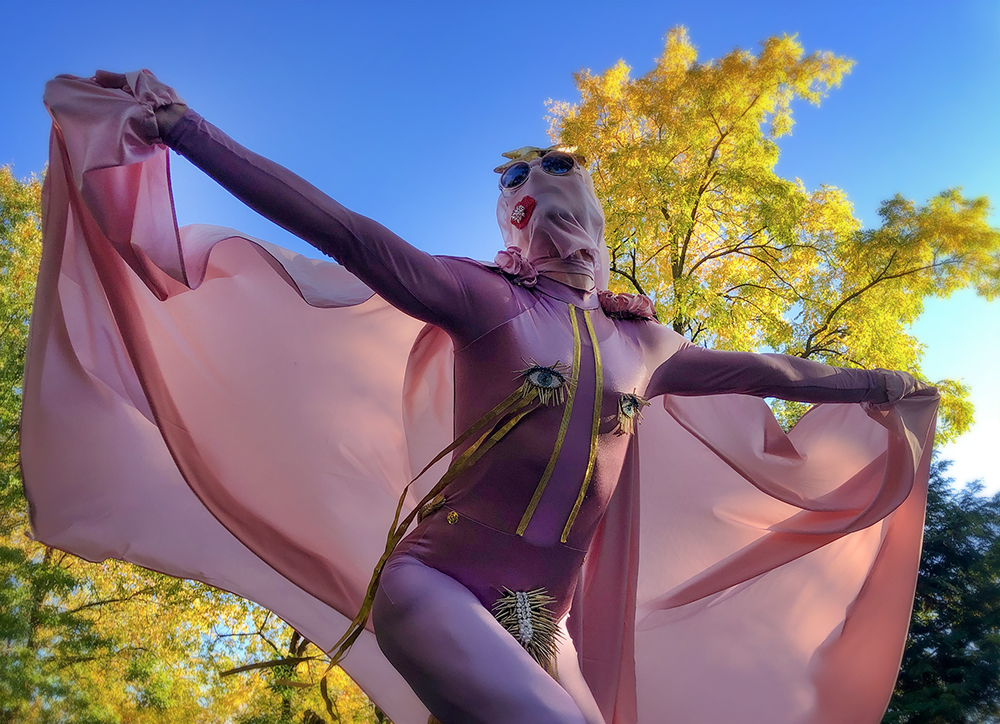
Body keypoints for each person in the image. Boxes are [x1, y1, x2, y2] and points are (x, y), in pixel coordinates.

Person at [23, 70, 939, 724]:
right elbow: (341, 228)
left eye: (564, 190)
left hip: (543, 627)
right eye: (528, 198)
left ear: (597, 222)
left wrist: (881, 387)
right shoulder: (482, 299)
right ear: (518, 226)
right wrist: (187, 130)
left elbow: (769, 374)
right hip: (435, 591)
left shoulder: (647, 344)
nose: (547, 209)